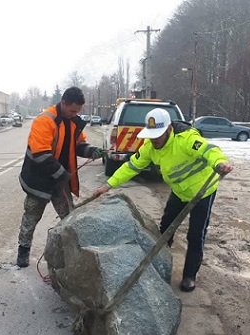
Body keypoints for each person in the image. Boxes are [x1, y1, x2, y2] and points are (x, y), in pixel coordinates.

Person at [93, 108, 233, 292]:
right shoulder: (149, 147)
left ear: (168, 129)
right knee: (165, 229)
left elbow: (210, 151)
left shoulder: (186, 139)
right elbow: (131, 167)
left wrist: (219, 163)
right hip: (179, 191)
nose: (154, 140)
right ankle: (161, 264)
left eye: (158, 135)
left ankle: (189, 275)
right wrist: (108, 185)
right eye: (152, 136)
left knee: (195, 234)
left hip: (202, 192)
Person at [17, 86, 103, 267]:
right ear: (63, 103)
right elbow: (40, 154)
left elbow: (79, 145)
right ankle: (23, 251)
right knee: (31, 215)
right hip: (39, 180)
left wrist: (92, 151)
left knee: (70, 216)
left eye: (77, 111)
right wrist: (61, 174)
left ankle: (74, 252)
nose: (74, 114)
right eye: (72, 110)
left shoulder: (72, 122)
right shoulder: (45, 121)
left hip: (59, 180)